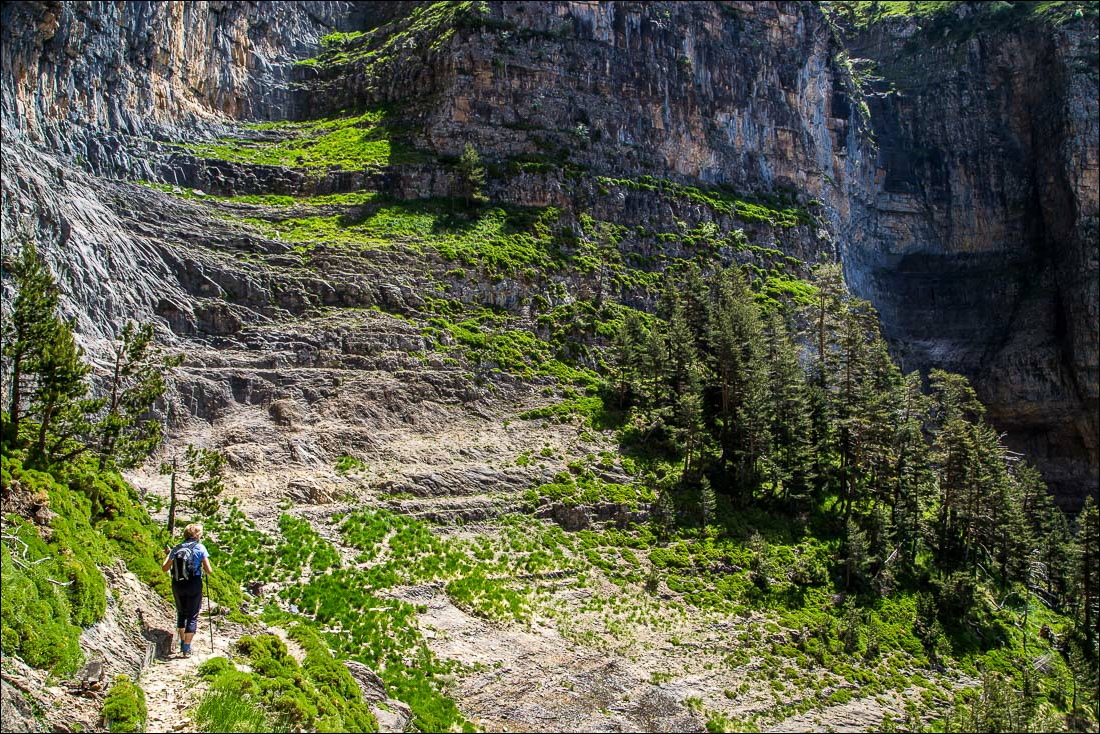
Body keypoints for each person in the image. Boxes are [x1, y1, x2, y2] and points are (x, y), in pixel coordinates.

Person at [161, 523, 213, 657]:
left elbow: (165, 568)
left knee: (181, 613)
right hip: (194, 584)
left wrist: (168, 554)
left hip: (177, 584)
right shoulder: (200, 548)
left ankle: (182, 641)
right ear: (197, 535)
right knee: (192, 615)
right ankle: (187, 647)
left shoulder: (177, 548)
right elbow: (209, 570)